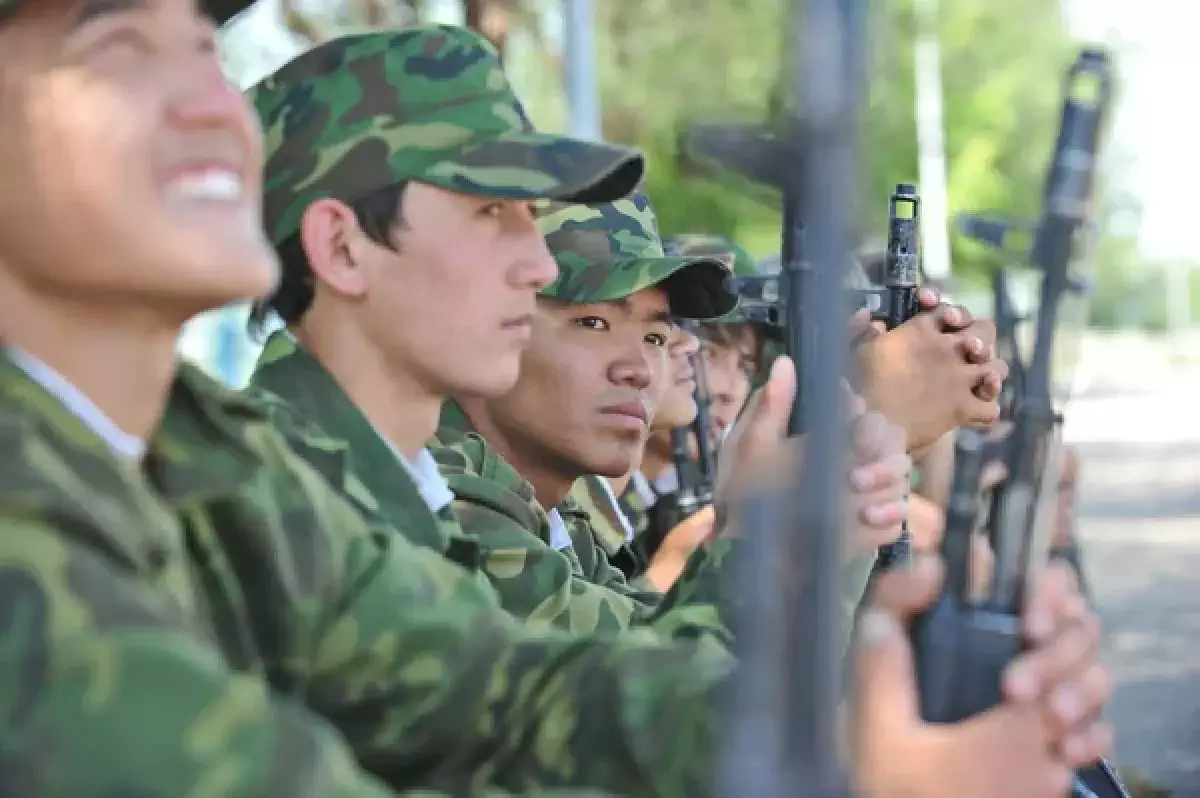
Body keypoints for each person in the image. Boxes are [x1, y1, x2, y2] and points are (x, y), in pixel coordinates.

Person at [0, 4, 1113, 794]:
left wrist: (853, 750)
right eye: (121, 45)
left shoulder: (205, 445)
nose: (214, 104)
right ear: (341, 244)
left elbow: (505, 694)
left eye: (206, 44)